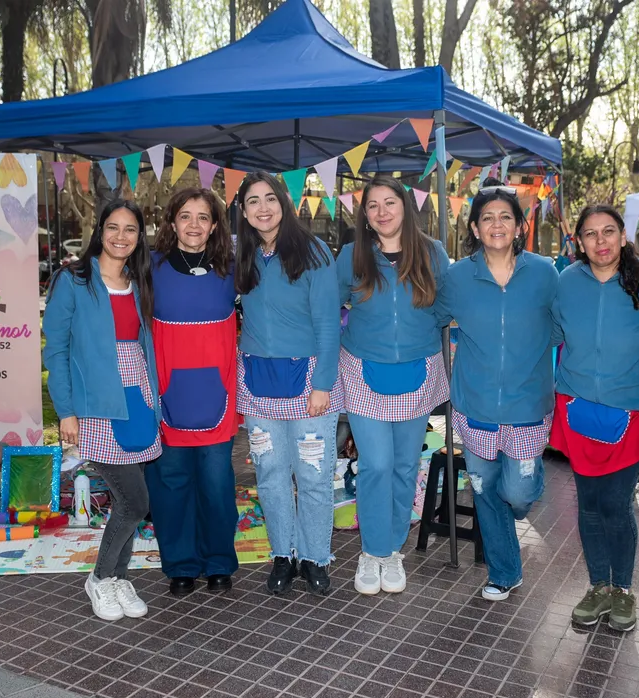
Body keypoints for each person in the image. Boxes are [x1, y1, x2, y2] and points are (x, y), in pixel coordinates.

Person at [550, 205, 639, 631]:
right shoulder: (567, 282)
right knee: (588, 503)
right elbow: (549, 333)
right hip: (579, 408)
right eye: (590, 234)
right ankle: (598, 585)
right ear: (579, 241)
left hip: (635, 410)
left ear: (623, 236)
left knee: (616, 503)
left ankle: (623, 590)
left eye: (609, 232)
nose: (600, 241)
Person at [434, 185, 558, 601]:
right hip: (475, 404)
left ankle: (518, 504)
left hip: (527, 404)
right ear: (474, 226)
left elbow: (562, 324)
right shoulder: (457, 276)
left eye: (506, 216)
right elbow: (433, 318)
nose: (497, 224)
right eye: (487, 217)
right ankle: (504, 572)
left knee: (517, 492)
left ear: (520, 226)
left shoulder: (544, 272)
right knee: (485, 489)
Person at [43, 199, 160, 621]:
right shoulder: (73, 279)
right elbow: (55, 350)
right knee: (134, 500)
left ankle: (117, 579)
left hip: (139, 398)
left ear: (139, 236)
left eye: (131, 229)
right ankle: (99, 577)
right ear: (100, 230)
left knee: (129, 500)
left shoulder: (138, 279)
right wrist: (66, 411)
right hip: (97, 404)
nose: (121, 236)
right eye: (113, 227)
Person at [337, 175, 450, 596]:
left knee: (405, 466)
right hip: (363, 370)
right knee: (377, 464)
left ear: (406, 207)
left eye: (390, 203)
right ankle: (372, 551)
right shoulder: (351, 255)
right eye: (372, 205)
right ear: (364, 214)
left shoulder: (433, 254)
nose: (382, 212)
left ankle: (392, 551)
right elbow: (329, 310)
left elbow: (444, 310)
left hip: (418, 372)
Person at [235, 171, 343, 596]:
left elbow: (329, 324)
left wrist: (323, 384)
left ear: (284, 202)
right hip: (258, 382)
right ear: (243, 212)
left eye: (270, 199)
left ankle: (315, 556)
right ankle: (283, 553)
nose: (263, 208)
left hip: (309, 382)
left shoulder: (313, 250)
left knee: (314, 473)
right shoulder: (242, 254)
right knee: (270, 474)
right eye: (252, 202)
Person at [144, 188, 240, 597]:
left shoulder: (232, 268)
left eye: (203, 217)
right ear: (172, 222)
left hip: (216, 393)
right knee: (170, 483)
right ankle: (180, 564)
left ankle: (218, 561)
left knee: (217, 485)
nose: (194, 225)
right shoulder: (150, 267)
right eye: (186, 216)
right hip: (168, 392)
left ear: (215, 225)